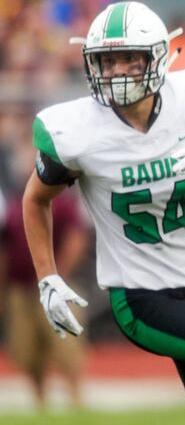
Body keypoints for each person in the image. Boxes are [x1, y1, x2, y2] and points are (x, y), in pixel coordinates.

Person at [23, 1, 185, 425]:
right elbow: (36, 198)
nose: (116, 71)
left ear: (157, 56)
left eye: (128, 58)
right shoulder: (78, 132)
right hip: (139, 295)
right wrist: (48, 277)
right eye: (106, 60)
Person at [2, 140, 89, 409]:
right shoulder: (15, 202)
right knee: (27, 349)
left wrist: (55, 276)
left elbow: (77, 239)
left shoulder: (60, 200)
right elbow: (5, 248)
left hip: (53, 284)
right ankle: (40, 403)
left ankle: (76, 401)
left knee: (65, 346)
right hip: (20, 288)